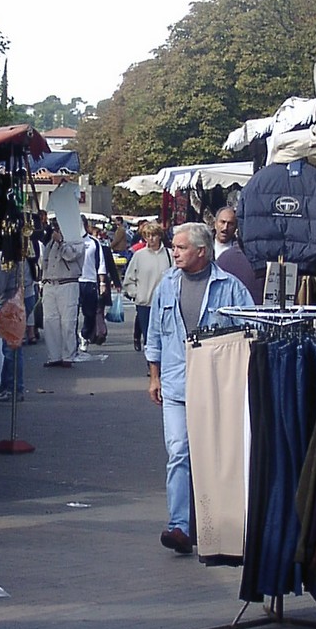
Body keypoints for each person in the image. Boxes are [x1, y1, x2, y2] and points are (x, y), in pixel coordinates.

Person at [145, 222, 254, 555]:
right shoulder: (167, 285)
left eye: (180, 247)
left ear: (201, 252)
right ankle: (179, 525)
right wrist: (154, 376)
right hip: (177, 385)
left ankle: (218, 527)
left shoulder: (230, 288)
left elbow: (250, 332)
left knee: (215, 456)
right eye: (173, 247)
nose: (174, 252)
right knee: (179, 451)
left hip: (216, 387)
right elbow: (155, 334)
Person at [0, 235, 27, 402]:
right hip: (14, 300)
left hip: (8, 303)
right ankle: (12, 386)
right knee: (12, 347)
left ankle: (12, 388)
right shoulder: (10, 250)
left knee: (10, 349)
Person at [40, 221, 84, 368]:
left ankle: (68, 355)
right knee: (50, 321)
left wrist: (61, 242)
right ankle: (54, 356)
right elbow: (44, 261)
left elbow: (71, 256)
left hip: (67, 283)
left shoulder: (77, 241)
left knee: (67, 322)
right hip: (50, 283)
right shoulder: (50, 242)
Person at [122, 224, 172, 352]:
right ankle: (152, 367)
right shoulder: (139, 255)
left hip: (165, 305)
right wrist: (137, 294)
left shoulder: (169, 254)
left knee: (165, 338)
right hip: (145, 304)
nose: (151, 238)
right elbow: (129, 279)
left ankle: (161, 367)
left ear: (160, 236)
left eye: (154, 235)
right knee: (149, 338)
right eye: (147, 236)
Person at [77, 215, 106, 352]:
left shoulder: (94, 242)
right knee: (72, 314)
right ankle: (71, 340)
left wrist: (102, 283)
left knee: (89, 313)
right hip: (74, 281)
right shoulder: (69, 241)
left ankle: (84, 334)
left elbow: (101, 263)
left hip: (89, 281)